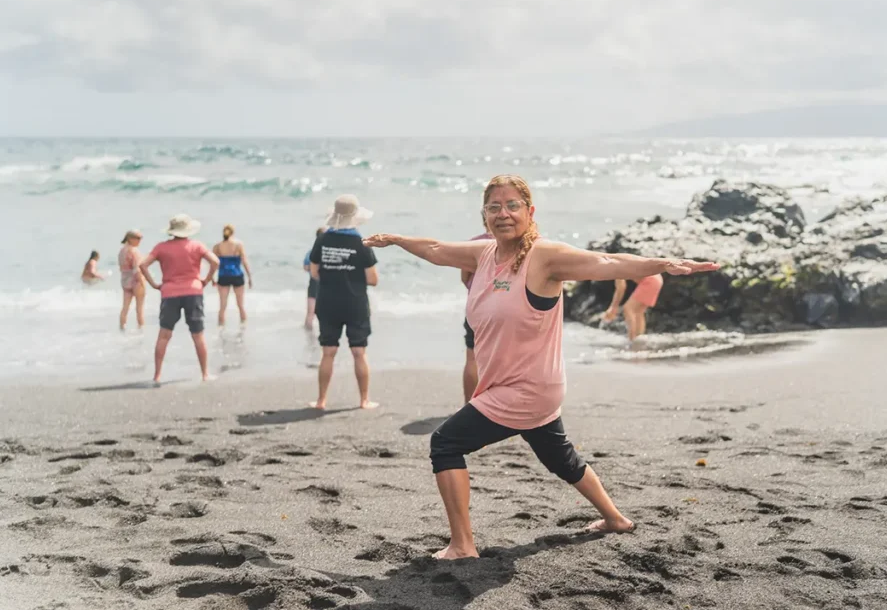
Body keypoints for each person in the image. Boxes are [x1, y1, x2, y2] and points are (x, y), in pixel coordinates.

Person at [364, 174, 719, 560]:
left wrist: (664, 264)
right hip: (520, 385)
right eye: (494, 206)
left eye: (513, 205)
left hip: (525, 388)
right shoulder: (482, 256)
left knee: (445, 443)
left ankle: (462, 545)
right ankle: (615, 519)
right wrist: (397, 239)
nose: (504, 213)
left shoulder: (544, 258)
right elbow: (434, 247)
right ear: (484, 215)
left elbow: (607, 261)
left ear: (529, 212)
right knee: (560, 458)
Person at [308, 196, 379, 410]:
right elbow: (373, 279)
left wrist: (334, 275)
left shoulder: (322, 240)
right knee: (359, 352)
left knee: (328, 351)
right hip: (354, 303)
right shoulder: (361, 243)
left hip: (327, 302)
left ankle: (321, 400)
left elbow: (314, 271)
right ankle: (364, 400)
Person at [139, 214, 219, 383]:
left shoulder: (161, 248)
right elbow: (216, 262)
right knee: (198, 334)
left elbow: (142, 264)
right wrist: (206, 280)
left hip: (169, 293)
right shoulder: (196, 246)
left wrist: (154, 284)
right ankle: (205, 374)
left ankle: (157, 375)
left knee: (164, 335)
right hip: (193, 291)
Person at [459, 221, 494, 403]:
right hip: (506, 309)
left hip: (477, 307)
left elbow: (465, 278)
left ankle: (468, 405)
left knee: (472, 356)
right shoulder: (516, 245)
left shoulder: (473, 245)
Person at [603, 274, 664, 342]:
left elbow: (621, 287)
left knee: (628, 308)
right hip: (656, 278)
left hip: (650, 280)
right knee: (638, 312)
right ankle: (638, 338)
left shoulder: (616, 267)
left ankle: (632, 340)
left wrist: (613, 307)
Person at [212, 224, 253, 326]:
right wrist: (250, 277)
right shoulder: (239, 245)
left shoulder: (217, 246)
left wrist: (212, 278)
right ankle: (243, 329)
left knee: (222, 307)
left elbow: (214, 264)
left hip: (223, 276)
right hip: (237, 276)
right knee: (240, 306)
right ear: (233, 233)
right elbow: (244, 261)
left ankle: (220, 330)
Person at [118, 230, 146, 329]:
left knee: (125, 308)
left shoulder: (122, 251)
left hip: (125, 282)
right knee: (139, 309)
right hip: (136, 282)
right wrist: (143, 283)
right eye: (138, 238)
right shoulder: (134, 251)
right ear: (130, 239)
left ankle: (122, 329)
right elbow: (136, 269)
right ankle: (141, 330)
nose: (140, 241)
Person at [304, 227, 326, 330]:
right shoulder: (328, 251)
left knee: (310, 313)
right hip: (326, 284)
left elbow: (306, 267)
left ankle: (309, 336)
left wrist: (313, 268)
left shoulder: (311, 251)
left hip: (313, 282)